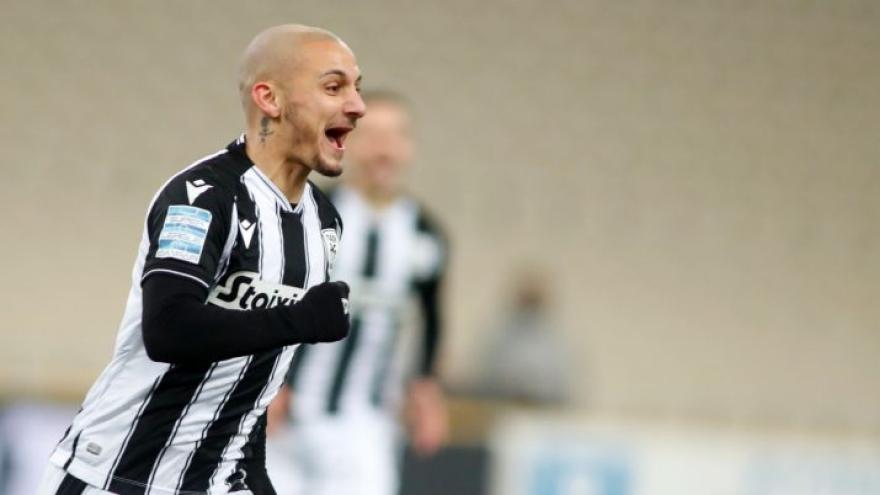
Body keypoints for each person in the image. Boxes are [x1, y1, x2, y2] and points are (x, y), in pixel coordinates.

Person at [38, 24, 365, 495]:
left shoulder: (324, 222)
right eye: (334, 87)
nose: (357, 106)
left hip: (218, 481)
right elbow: (168, 329)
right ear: (269, 99)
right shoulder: (203, 197)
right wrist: (301, 319)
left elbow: (252, 382)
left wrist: (256, 479)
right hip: (116, 475)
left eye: (357, 87)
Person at [265, 90, 449, 495]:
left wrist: (426, 391)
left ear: (409, 147)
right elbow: (276, 300)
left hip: (365, 423)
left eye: (395, 136)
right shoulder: (310, 214)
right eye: (374, 136)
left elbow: (433, 319)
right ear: (347, 142)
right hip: (289, 415)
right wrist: (271, 383)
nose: (385, 149)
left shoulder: (425, 234)